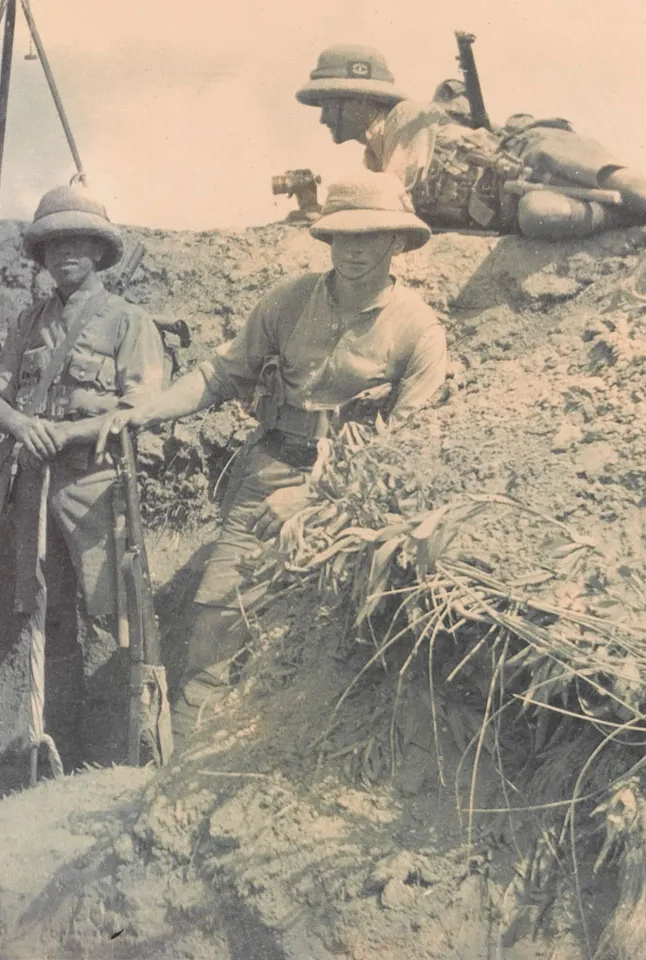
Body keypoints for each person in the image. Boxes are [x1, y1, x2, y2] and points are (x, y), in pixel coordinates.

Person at [100, 174, 448, 746]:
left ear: (396, 244)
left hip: (355, 496)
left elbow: (408, 445)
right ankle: (177, 764)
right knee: (216, 615)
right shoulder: (289, 302)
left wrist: (314, 496)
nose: (355, 251)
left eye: (372, 237)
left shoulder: (419, 329)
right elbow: (222, 373)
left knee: (319, 638)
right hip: (268, 472)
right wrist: (151, 413)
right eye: (344, 237)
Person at [295, 43, 646, 240]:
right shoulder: (379, 154)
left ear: (360, 100)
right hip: (516, 202)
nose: (324, 120)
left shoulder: (408, 121)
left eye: (329, 105)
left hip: (531, 150)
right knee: (546, 215)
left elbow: (396, 188)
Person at [0, 184, 165, 768]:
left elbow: (141, 408)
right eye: (54, 244)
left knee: (110, 616)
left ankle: (116, 756)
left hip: (94, 481)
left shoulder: (127, 322)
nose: (66, 254)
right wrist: (19, 425)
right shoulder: (29, 321)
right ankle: (58, 747)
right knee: (45, 613)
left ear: (99, 250)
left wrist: (70, 434)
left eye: (78, 242)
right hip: (33, 482)